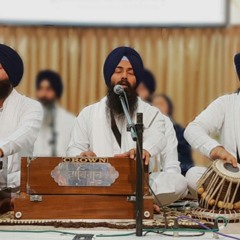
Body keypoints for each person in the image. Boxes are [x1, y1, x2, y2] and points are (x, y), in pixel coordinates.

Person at [67, 46, 187, 209]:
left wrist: (143, 150)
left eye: (131, 72)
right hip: (99, 182)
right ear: (109, 75)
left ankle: (136, 200)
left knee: (178, 182)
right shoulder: (88, 113)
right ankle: (135, 203)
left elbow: (158, 138)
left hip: (138, 185)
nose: (124, 76)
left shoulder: (152, 113)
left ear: (136, 79)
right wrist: (81, 155)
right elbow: (73, 148)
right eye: (118, 70)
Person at [183, 53, 240, 196]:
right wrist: (215, 149)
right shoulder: (226, 103)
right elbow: (192, 129)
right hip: (231, 181)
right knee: (193, 174)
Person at [0, 43, 43, 212]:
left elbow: (26, 133)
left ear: (11, 74)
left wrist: (1, 149)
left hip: (19, 194)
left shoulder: (30, 107)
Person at [33, 70, 76, 157]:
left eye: (48, 89)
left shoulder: (70, 121)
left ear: (56, 92)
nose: (43, 94)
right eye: (40, 89)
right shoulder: (29, 119)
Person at [152, 93, 194, 176]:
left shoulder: (179, 131)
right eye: (155, 105)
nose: (158, 108)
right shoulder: (147, 129)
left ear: (169, 108)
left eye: (161, 104)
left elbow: (185, 158)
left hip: (178, 170)